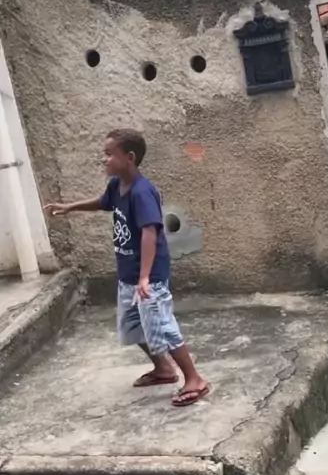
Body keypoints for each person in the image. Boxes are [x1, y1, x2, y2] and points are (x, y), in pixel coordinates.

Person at [44, 128, 208, 407]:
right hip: (130, 275)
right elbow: (103, 202)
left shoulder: (142, 192)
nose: (104, 159)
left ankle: (194, 379)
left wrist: (144, 277)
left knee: (162, 327)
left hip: (149, 277)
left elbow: (149, 233)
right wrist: (70, 207)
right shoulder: (117, 185)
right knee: (133, 325)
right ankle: (163, 369)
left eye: (110, 154)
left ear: (129, 158)